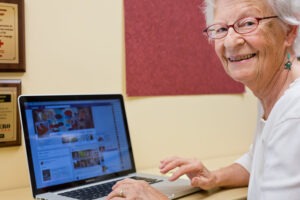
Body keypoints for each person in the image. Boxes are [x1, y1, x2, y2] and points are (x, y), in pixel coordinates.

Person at [107, 0, 300, 199]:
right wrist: (213, 177)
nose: (230, 42)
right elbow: (257, 161)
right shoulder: (274, 93)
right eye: (221, 29)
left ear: (289, 32)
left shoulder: (294, 114)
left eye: (248, 23)